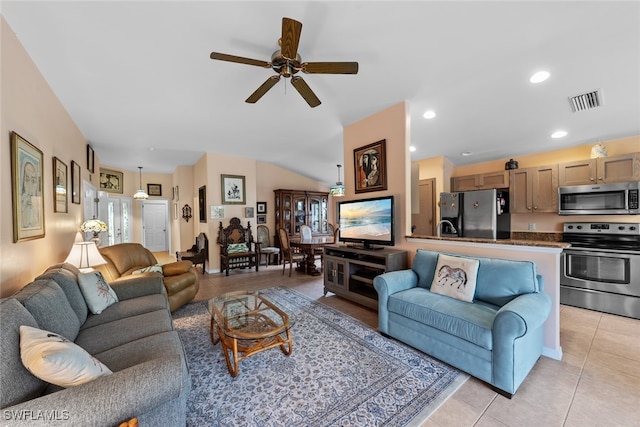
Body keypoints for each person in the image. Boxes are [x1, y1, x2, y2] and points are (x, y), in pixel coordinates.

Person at [20, 160, 41, 229]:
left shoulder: (38, 203)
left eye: (33, 181)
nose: (30, 185)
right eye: (27, 180)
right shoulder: (21, 202)